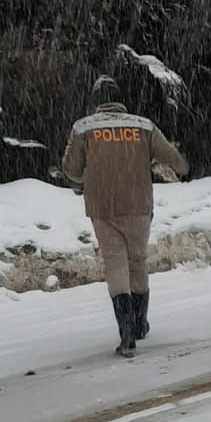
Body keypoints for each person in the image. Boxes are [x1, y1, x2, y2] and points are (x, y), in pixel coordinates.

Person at [61, 76, 188, 357]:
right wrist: (181, 169)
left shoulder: (83, 127)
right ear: (121, 100)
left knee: (115, 264)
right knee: (137, 261)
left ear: (97, 102)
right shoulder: (142, 125)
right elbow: (173, 158)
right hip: (138, 205)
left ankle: (126, 334)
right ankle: (140, 323)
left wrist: (83, 180)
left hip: (103, 208)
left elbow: (70, 168)